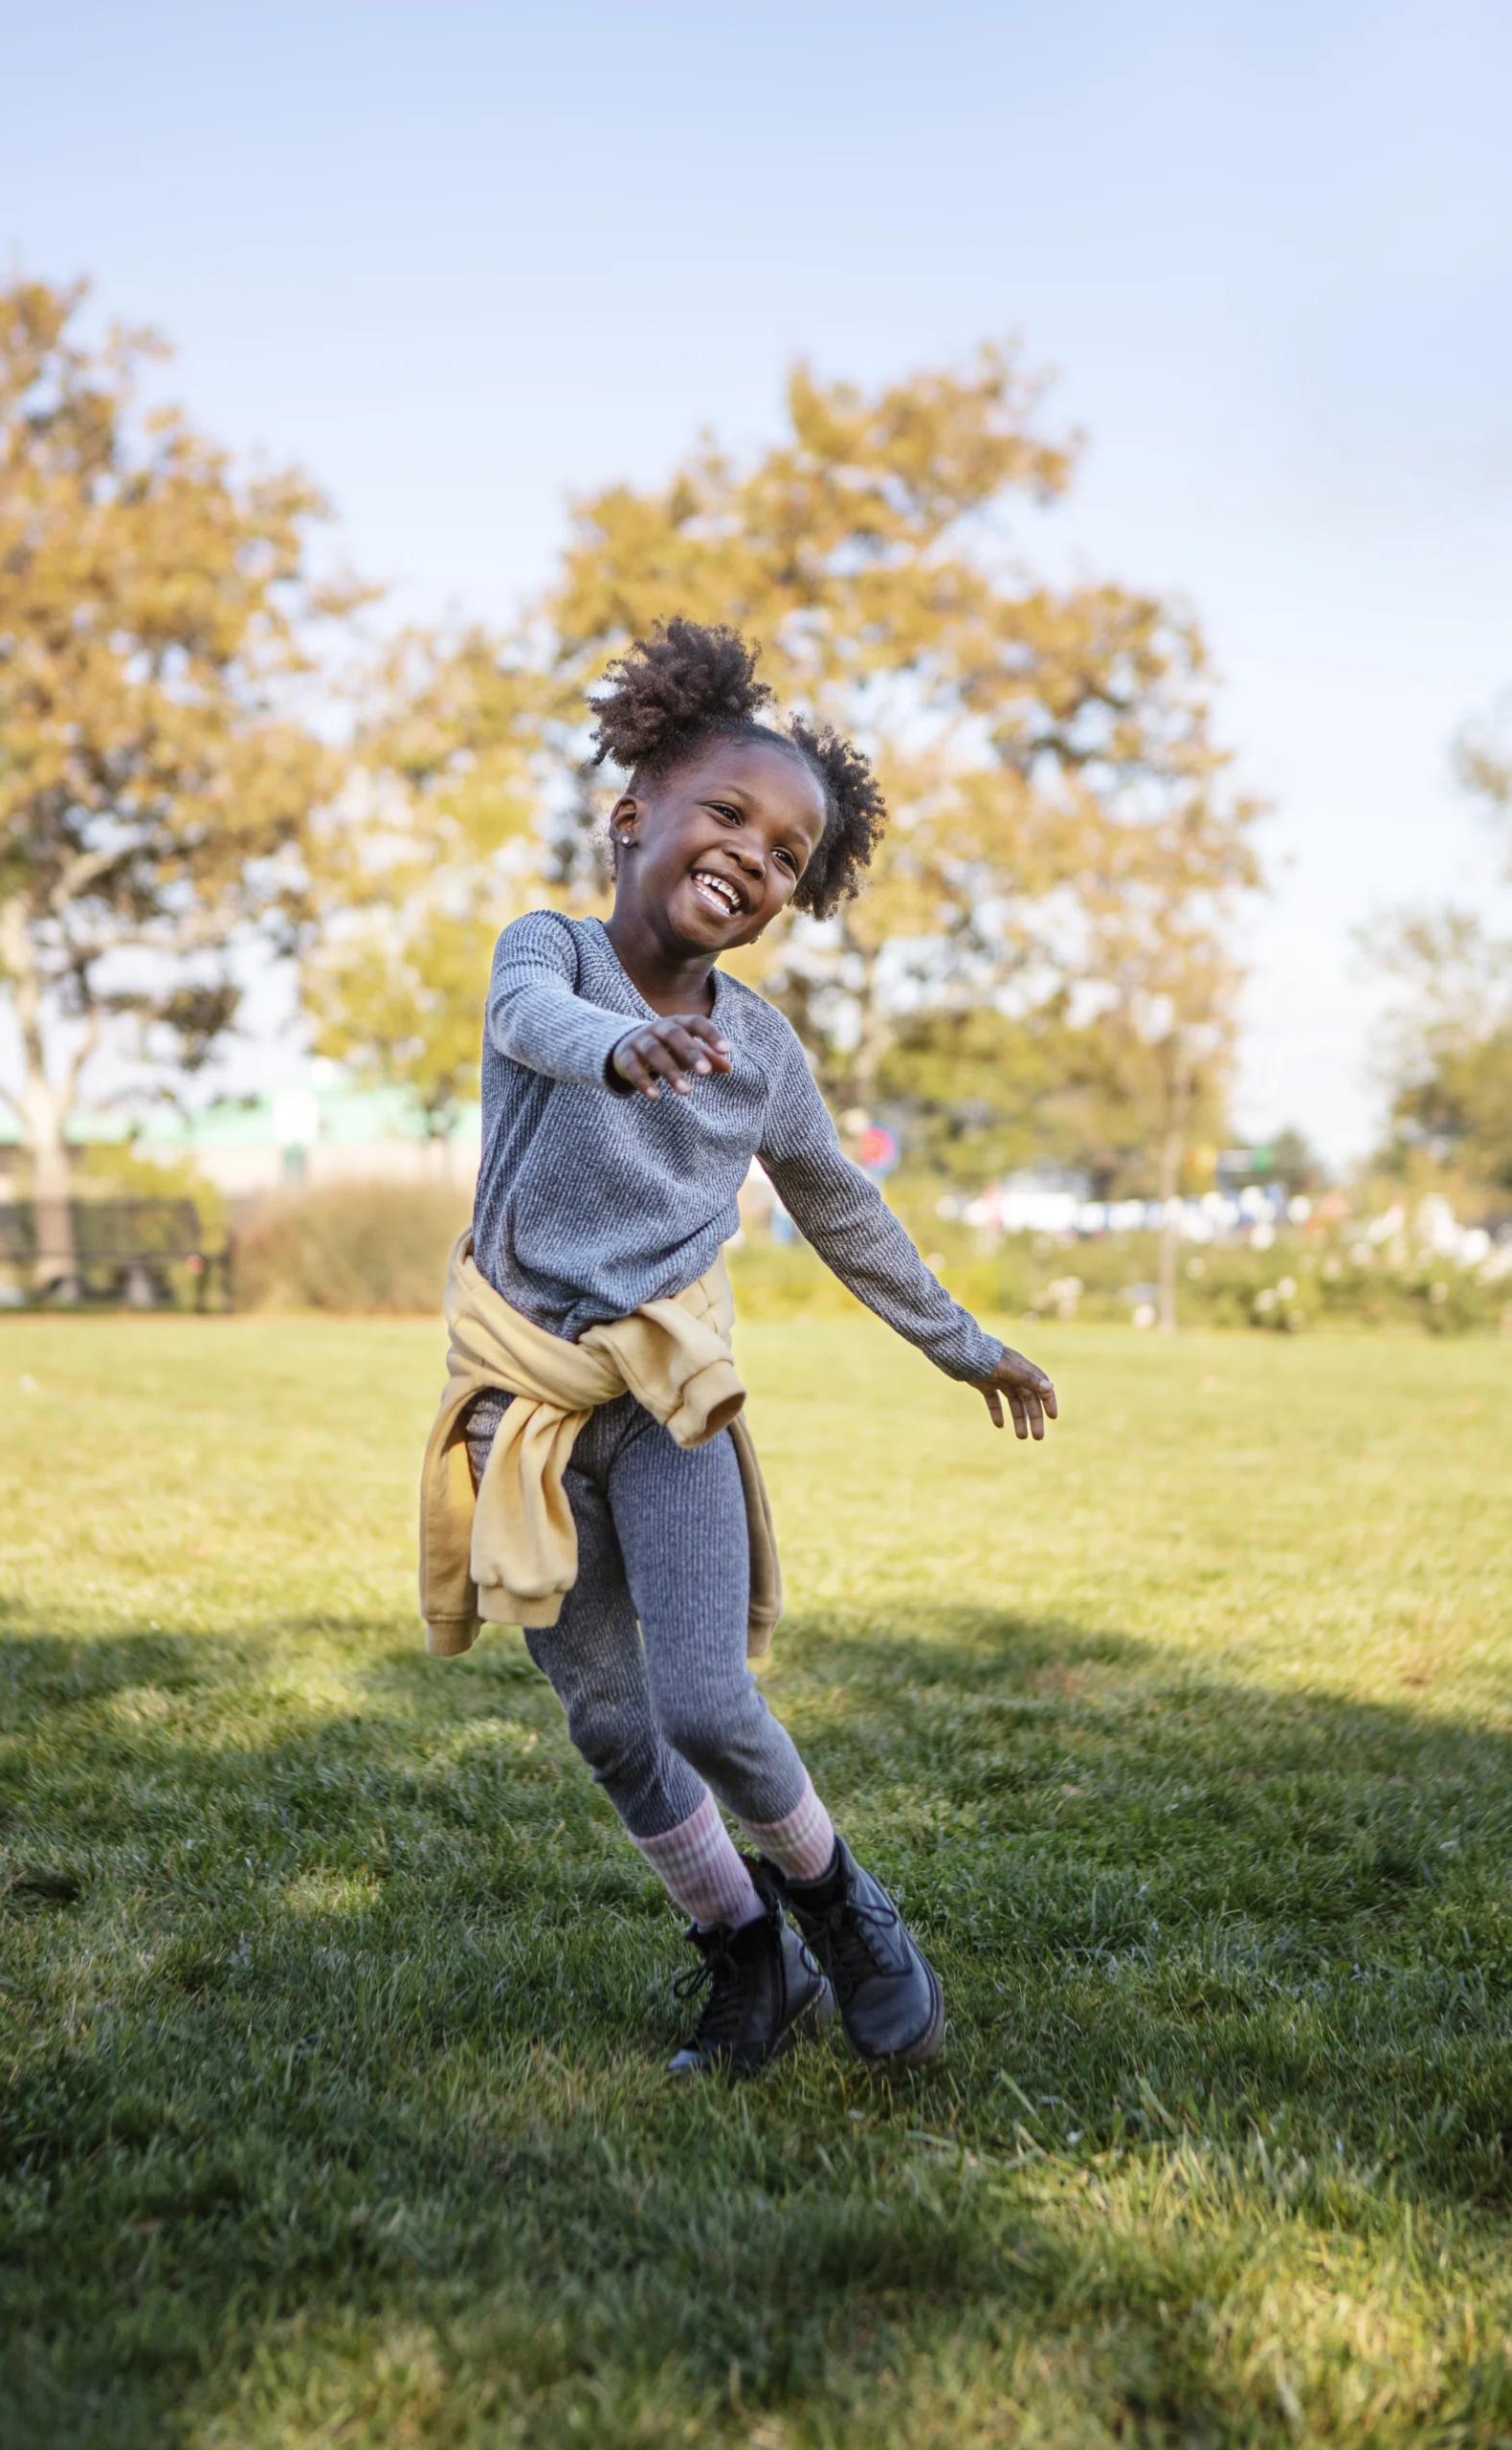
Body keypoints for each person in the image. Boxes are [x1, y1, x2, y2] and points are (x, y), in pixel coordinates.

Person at [419, 617, 1056, 2077]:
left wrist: (966, 1347)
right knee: (607, 1721)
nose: (749, 857)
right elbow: (528, 1020)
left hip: (669, 1398)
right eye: (726, 815)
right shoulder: (551, 953)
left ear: (791, 896)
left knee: (703, 1698)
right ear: (632, 817)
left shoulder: (760, 1053)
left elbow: (843, 1210)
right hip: (519, 1400)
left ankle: (844, 1910)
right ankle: (744, 1963)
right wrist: (615, 1046)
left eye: (783, 854)